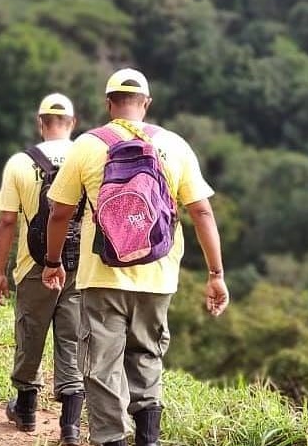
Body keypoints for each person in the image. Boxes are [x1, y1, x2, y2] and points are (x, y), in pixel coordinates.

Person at [42, 68, 229, 446]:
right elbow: (202, 212)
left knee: (102, 365)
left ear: (109, 103)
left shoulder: (88, 145)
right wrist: (215, 273)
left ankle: (110, 439)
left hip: (102, 274)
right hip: (158, 275)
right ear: (146, 103)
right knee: (147, 355)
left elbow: (60, 213)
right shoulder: (175, 145)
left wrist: (52, 261)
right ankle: (148, 439)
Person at [0, 93, 85, 445]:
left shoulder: (19, 162)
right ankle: (70, 427)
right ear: (72, 123)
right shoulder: (88, 158)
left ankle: (27, 413)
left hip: (34, 265)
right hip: (78, 267)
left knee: (30, 335)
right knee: (72, 340)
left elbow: (6, 222)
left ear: (40, 122)